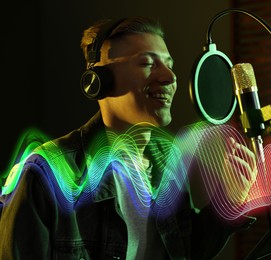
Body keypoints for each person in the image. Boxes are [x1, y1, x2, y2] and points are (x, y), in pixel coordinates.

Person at [0, 16, 257, 259]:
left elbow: (186, 251)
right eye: (147, 63)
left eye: (170, 65)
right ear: (98, 81)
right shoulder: (44, 173)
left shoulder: (167, 160)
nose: (170, 77)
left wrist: (229, 202)